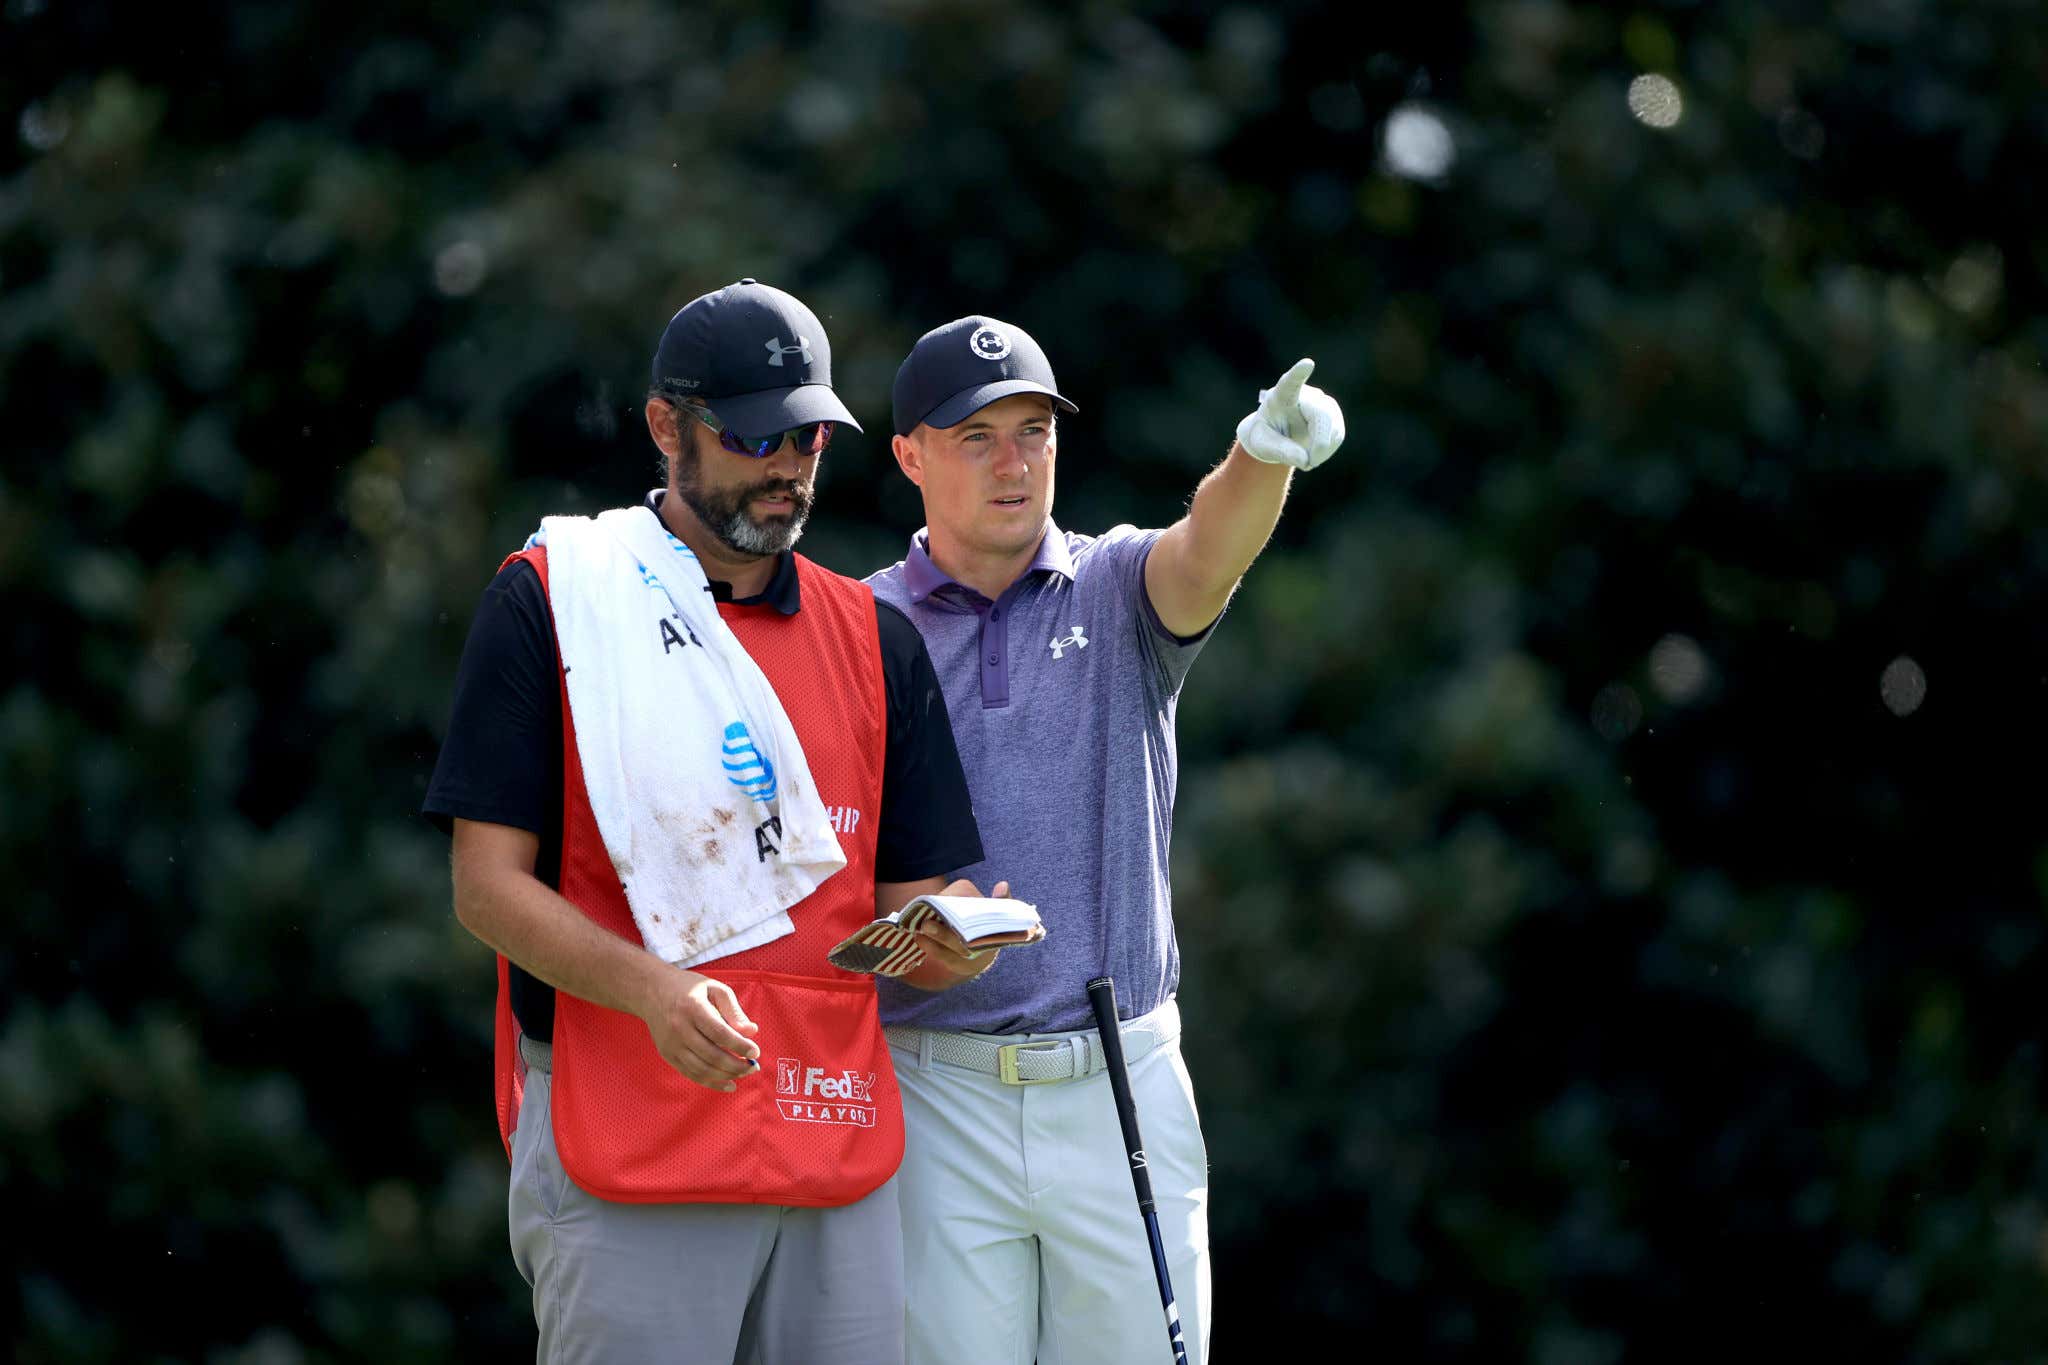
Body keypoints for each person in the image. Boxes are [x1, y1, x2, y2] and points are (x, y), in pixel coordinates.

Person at [423, 278, 1002, 1365]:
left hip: (828, 1138)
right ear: (665, 427)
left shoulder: (878, 639)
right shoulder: (551, 599)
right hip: (628, 1127)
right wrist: (655, 992)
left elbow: (902, 911)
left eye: (809, 442)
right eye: (752, 439)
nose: (786, 470)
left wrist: (953, 940)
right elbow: (484, 887)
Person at [867, 314, 1345, 1364]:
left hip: (1117, 1074)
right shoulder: (859, 630)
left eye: (1032, 432)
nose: (1013, 463)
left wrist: (1261, 455)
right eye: (975, 436)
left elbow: (1205, 547)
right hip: (929, 1088)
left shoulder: (1116, 587)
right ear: (908, 455)